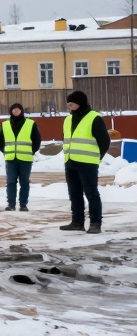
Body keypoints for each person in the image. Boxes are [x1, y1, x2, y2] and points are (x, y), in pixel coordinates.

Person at [60, 90, 110, 234]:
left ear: (80, 103)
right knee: (74, 193)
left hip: (87, 162)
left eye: (72, 104)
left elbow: (104, 141)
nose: (70, 107)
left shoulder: (94, 117)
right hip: (70, 161)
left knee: (91, 193)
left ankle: (95, 223)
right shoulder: (68, 119)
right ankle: (77, 222)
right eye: (68, 104)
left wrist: (97, 157)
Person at [0, 102, 40, 212]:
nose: (16, 111)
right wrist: (6, 151)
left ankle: (23, 204)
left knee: (24, 182)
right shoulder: (5, 124)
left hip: (25, 159)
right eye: (14, 109)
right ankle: (11, 204)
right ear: (11, 111)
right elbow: (0, 141)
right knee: (11, 182)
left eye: (18, 109)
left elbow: (37, 140)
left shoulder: (31, 124)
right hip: (11, 159)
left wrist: (31, 151)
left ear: (22, 111)